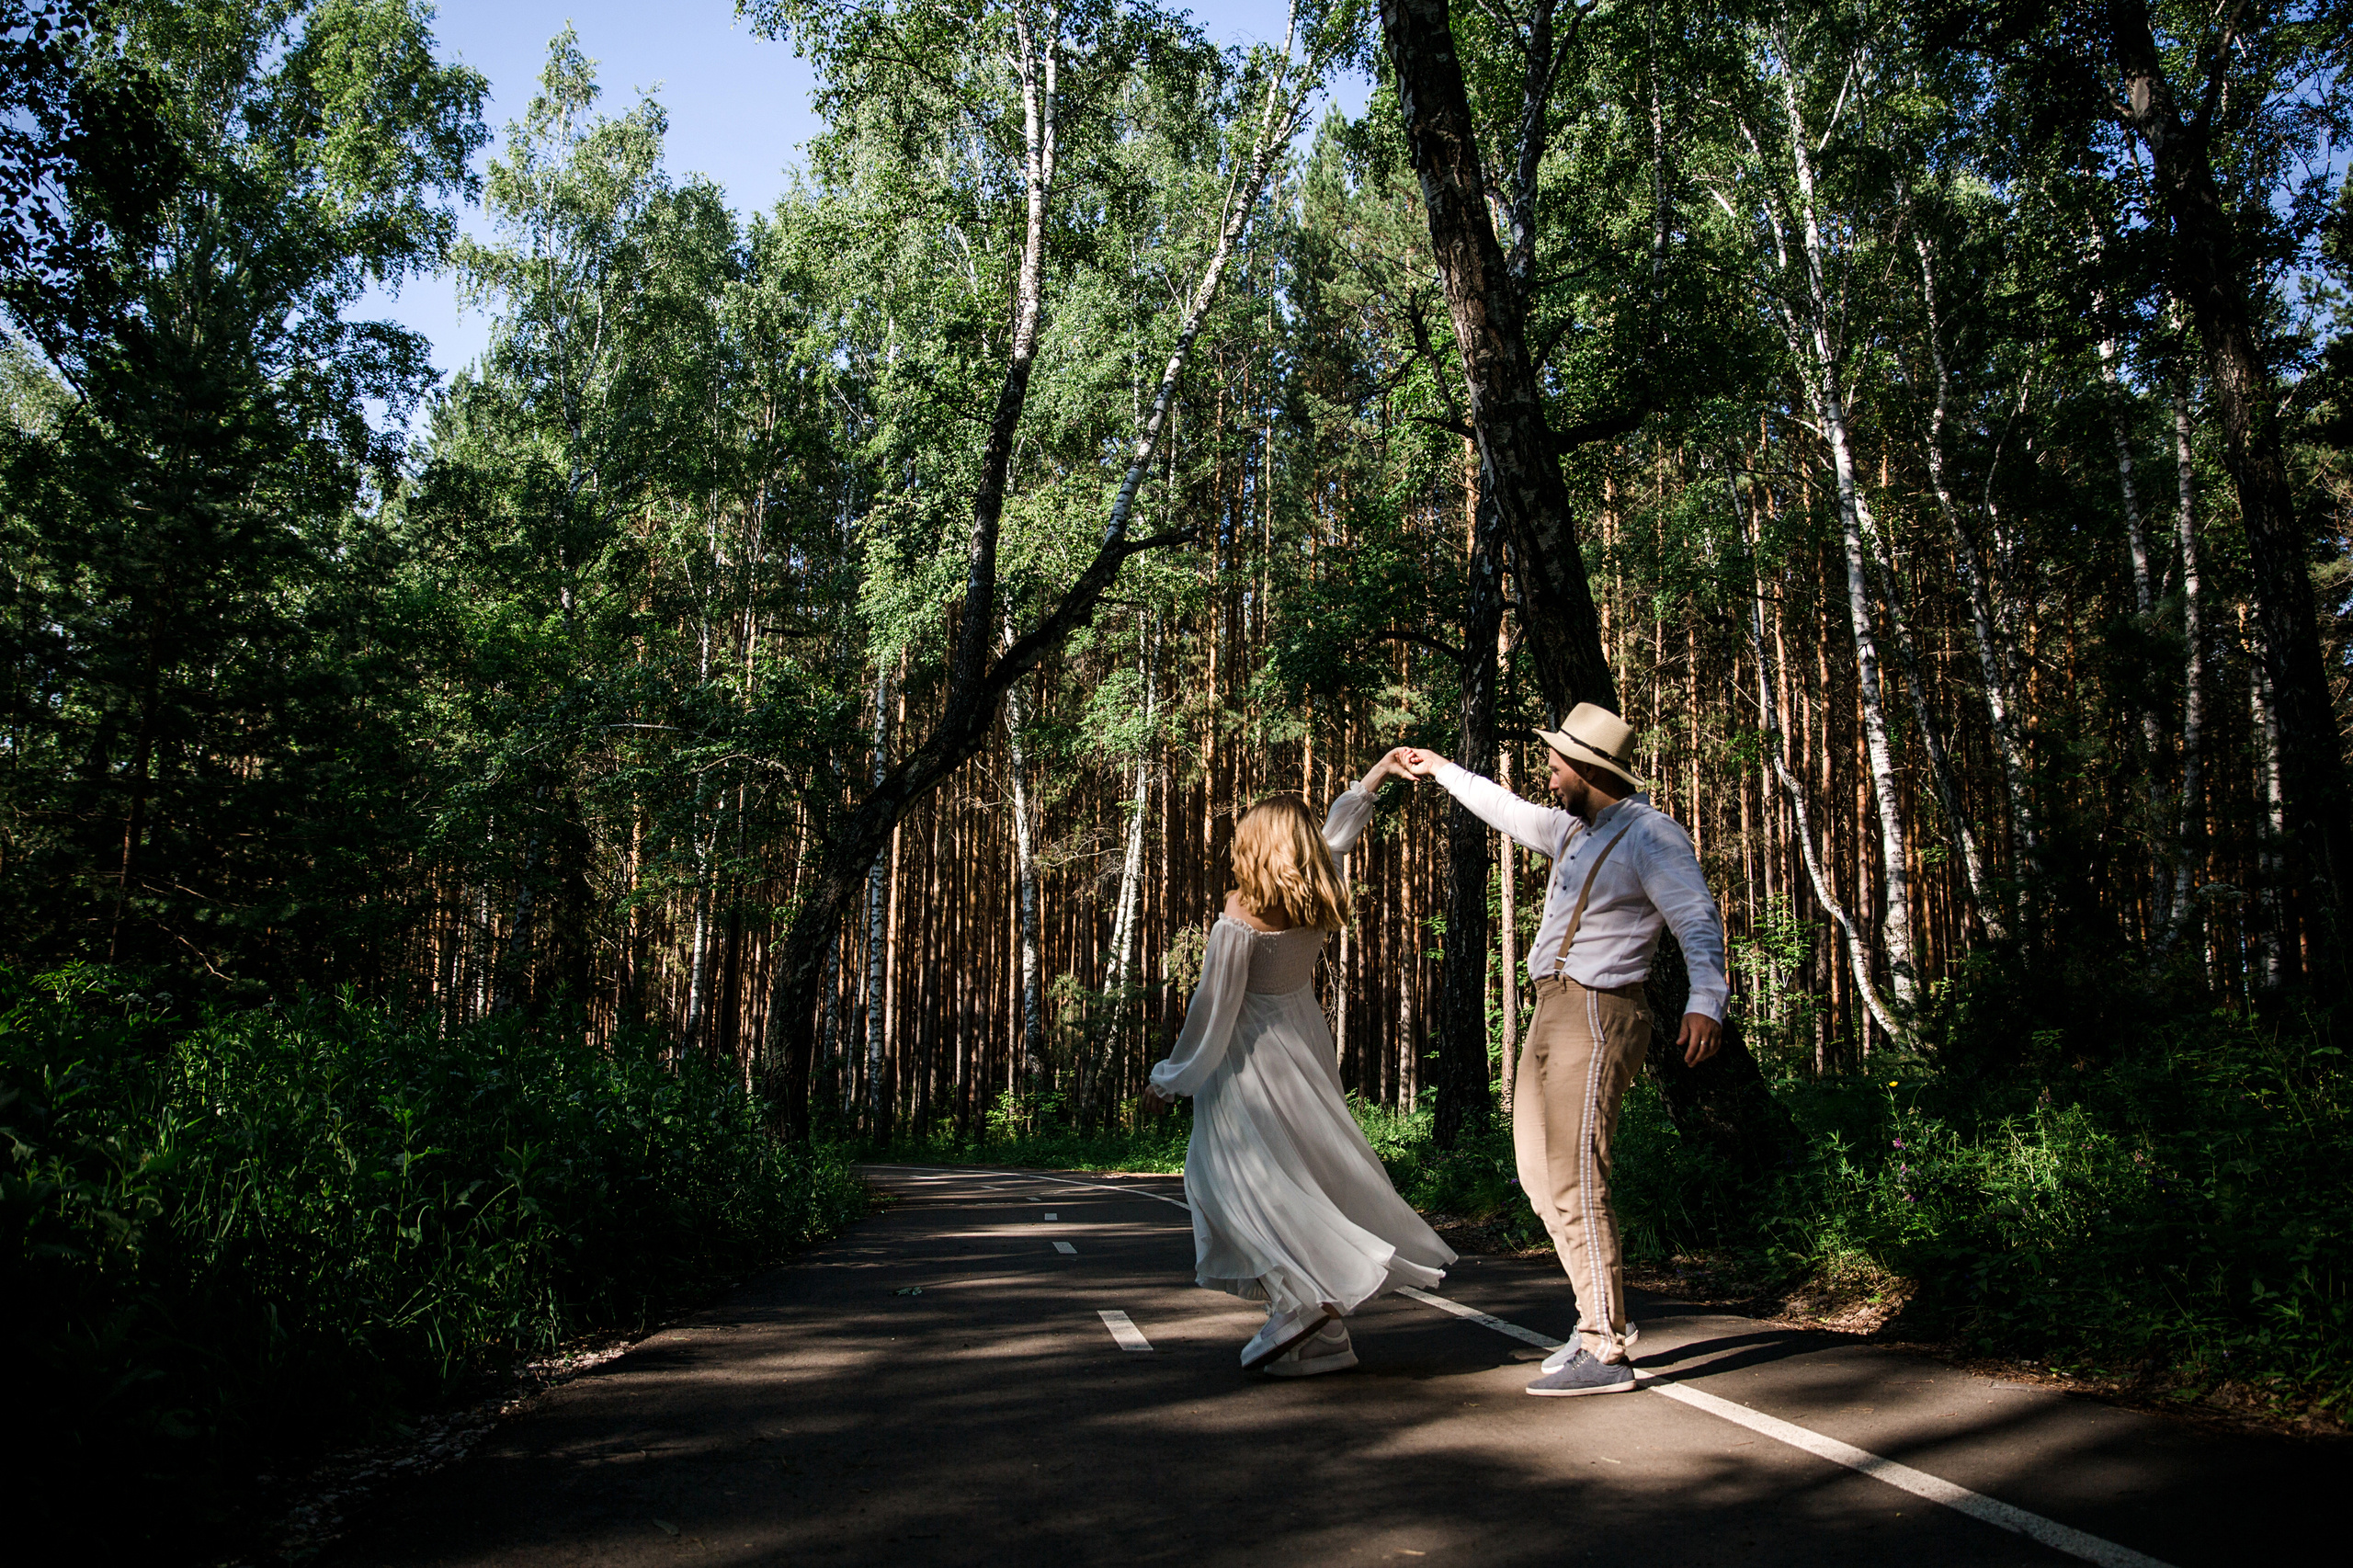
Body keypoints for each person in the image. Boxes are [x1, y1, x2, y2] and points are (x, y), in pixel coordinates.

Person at [1395, 702, 1727, 1398]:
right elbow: (1504, 808)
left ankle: (1605, 1347)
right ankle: (1592, 1321)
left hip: (1601, 1012)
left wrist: (1705, 1001)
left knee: (1577, 1175)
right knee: (1537, 1177)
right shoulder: (1575, 830)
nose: (1547, 775)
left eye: (1554, 763)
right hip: (1550, 1009)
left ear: (1586, 769)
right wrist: (1443, 768)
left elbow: (1695, 915)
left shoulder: (1651, 834)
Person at [1142, 758, 1457, 1376]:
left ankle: (1297, 1302)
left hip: (1249, 1065)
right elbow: (1341, 831)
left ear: (1257, 847)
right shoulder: (1320, 885)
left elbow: (1213, 1012)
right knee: (1302, 1174)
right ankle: (1325, 1340)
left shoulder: (1239, 915)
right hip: (1304, 1047)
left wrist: (1169, 1079)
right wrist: (1377, 777)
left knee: (1231, 1183)